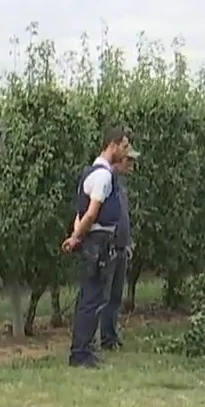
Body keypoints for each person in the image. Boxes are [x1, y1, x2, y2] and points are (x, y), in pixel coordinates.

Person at [63, 126, 138, 367]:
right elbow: (91, 213)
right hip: (98, 242)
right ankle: (81, 353)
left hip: (94, 241)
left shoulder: (89, 173)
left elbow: (80, 212)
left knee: (91, 297)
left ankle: (84, 350)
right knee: (92, 299)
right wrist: (76, 237)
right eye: (124, 146)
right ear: (113, 145)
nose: (126, 152)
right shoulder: (104, 176)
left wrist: (77, 235)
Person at [99, 148, 136, 351]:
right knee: (106, 295)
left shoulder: (122, 186)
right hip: (110, 246)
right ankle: (105, 337)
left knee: (116, 296)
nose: (131, 165)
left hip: (122, 246)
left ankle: (112, 335)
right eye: (128, 160)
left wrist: (128, 242)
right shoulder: (108, 181)